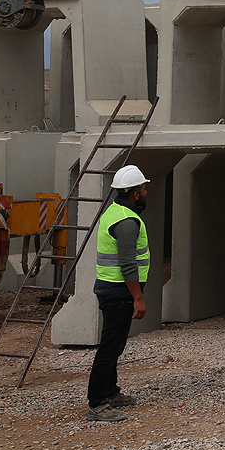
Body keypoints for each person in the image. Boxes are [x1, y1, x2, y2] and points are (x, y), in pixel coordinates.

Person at [86, 164, 150, 422]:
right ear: (135, 193)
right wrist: (138, 298)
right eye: (144, 188)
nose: (146, 192)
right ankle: (97, 403)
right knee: (110, 348)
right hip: (118, 293)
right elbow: (127, 263)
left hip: (112, 290)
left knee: (115, 344)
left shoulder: (114, 211)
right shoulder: (125, 221)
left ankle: (110, 392)